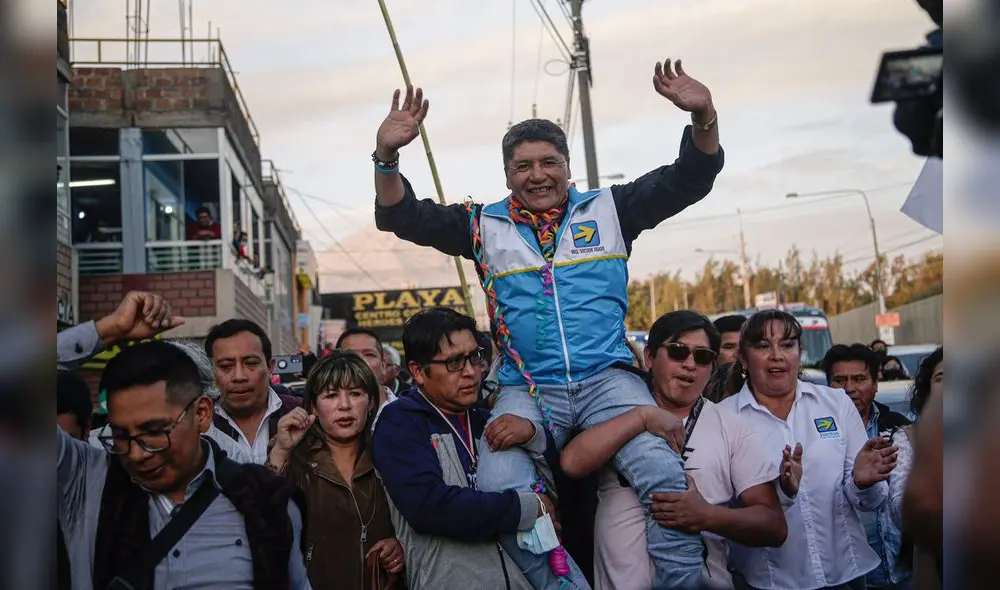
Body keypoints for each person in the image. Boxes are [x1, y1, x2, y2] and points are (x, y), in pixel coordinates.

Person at [373, 58, 724, 589]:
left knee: (662, 471)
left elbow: (689, 179)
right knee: (499, 487)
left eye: (548, 162)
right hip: (524, 387)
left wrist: (703, 116)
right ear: (508, 175)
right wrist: (386, 155)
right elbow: (404, 217)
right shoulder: (481, 225)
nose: (537, 174)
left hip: (607, 380)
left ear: (566, 167)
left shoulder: (612, 209)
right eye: (523, 166)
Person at [56, 291, 310, 589]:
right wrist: (109, 329)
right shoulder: (87, 484)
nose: (137, 454)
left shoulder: (264, 503)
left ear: (202, 413)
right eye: (121, 436)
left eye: (155, 432)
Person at [561, 311, 786, 590]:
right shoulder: (616, 413)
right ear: (649, 357)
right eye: (678, 352)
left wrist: (706, 515)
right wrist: (641, 418)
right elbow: (572, 462)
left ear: (713, 368)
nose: (690, 364)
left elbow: (773, 526)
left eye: (702, 356)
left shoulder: (731, 427)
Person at [719, 310, 898, 590]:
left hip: (846, 576)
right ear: (743, 357)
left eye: (787, 344)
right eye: (763, 346)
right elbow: (722, 511)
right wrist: (781, 491)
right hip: (767, 582)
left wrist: (862, 483)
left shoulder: (836, 404)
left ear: (799, 353)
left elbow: (870, 502)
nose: (777, 355)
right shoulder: (722, 419)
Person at [371, 308, 544, 590]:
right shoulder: (399, 423)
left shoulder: (485, 419)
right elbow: (431, 507)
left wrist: (534, 436)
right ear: (418, 371)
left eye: (474, 357)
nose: (470, 372)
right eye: (454, 362)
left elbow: (551, 481)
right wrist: (524, 508)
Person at [267, 351, 405, 589]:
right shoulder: (297, 459)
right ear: (313, 406)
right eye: (331, 395)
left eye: (355, 394)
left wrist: (401, 544)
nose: (344, 406)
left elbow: (419, 522)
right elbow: (263, 518)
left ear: (371, 401)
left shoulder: (390, 455)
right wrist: (281, 450)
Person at [823, 344, 912, 590]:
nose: (849, 388)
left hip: (903, 569)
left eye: (859, 379)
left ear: (875, 383)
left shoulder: (899, 428)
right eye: (839, 380)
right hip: (847, 575)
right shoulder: (816, 436)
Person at [206, 319, 302, 463]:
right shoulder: (201, 425)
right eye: (226, 366)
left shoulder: (301, 415)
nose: (239, 376)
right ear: (212, 370)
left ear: (270, 367)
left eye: (251, 364)